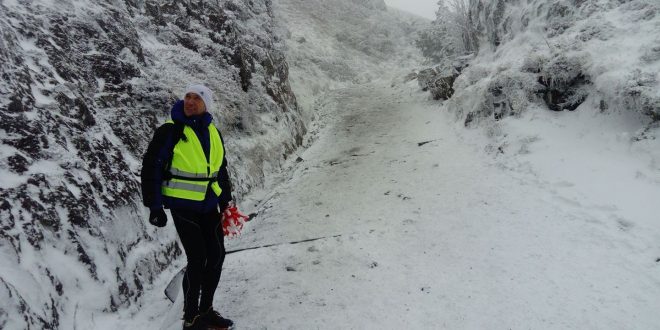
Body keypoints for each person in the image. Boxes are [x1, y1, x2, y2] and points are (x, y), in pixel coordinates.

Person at [141, 84, 234, 330]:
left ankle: (207, 310)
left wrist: (226, 201)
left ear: (206, 104)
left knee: (216, 256)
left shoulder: (214, 132)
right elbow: (151, 167)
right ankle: (191, 318)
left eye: (197, 98)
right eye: (187, 97)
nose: (190, 102)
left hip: (209, 204)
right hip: (183, 206)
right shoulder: (170, 131)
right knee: (198, 259)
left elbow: (219, 169)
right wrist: (155, 206)